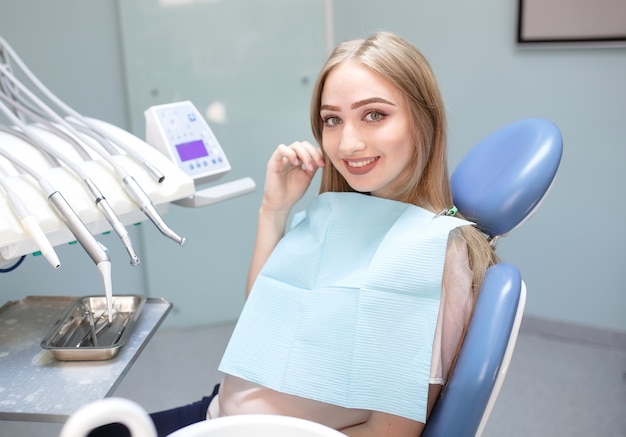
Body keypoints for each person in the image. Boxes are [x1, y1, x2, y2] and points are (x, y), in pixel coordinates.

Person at [90, 31, 497, 437]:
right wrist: (275, 210)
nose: (348, 143)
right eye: (332, 120)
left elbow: (389, 433)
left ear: (422, 119)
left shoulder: (433, 254)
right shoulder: (339, 211)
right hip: (221, 413)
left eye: (374, 114)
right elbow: (265, 315)